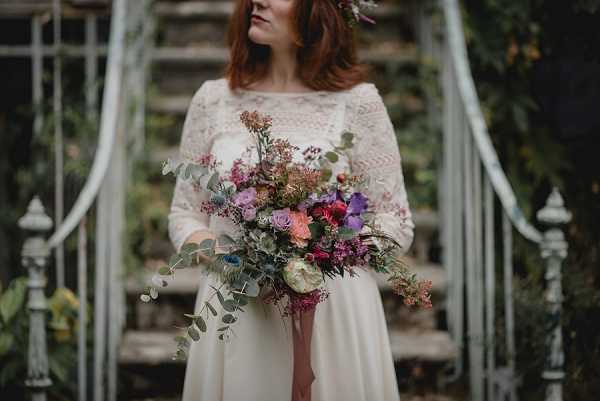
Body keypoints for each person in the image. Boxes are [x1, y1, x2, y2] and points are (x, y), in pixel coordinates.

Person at [167, 0, 415, 400]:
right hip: (240, 309)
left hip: (333, 313)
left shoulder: (358, 103)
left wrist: (318, 253)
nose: (258, 1)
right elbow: (185, 214)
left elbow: (395, 220)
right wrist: (235, 259)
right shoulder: (213, 99)